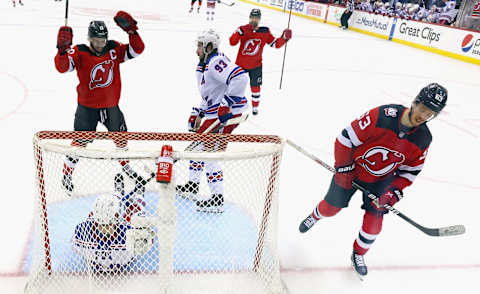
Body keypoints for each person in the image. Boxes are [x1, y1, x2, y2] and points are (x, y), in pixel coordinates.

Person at [298, 83, 447, 279]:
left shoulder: (423, 138)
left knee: (375, 221)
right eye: (423, 109)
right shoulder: (383, 115)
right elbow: (344, 139)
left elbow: (410, 172)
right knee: (331, 208)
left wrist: (392, 193)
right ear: (415, 102)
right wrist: (344, 168)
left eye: (431, 114)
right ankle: (316, 215)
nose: (424, 116)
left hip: (382, 181)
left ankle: (358, 254)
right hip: (352, 169)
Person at [54, 11, 145, 194]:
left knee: (121, 139)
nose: (100, 44)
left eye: (103, 40)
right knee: (79, 143)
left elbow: (137, 50)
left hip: (111, 107)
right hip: (87, 108)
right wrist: (62, 51)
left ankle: (127, 169)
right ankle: (67, 174)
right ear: (90, 39)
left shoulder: (114, 49)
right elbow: (62, 68)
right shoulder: (79, 52)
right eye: (96, 40)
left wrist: (133, 33)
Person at [175, 29, 249, 213]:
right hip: (214, 112)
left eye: (200, 46)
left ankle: (217, 198)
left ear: (209, 46)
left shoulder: (216, 61)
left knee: (209, 154)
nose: (197, 49)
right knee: (199, 147)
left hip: (225, 115)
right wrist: (199, 113)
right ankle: (192, 186)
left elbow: (241, 77)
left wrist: (227, 104)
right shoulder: (205, 64)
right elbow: (210, 95)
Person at [72, 171, 155, 273]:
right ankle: (136, 195)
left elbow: (75, 248)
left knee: (107, 208)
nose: (105, 228)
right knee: (136, 213)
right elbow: (149, 242)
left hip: (104, 267)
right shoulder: (127, 231)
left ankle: (124, 194)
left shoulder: (82, 230)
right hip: (122, 265)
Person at [229, 9, 292, 116]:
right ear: (249, 18)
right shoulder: (243, 29)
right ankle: (232, 105)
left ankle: (255, 107)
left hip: (256, 66)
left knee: (256, 87)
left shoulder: (265, 32)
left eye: (256, 18)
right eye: (252, 17)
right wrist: (239, 32)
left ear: (259, 19)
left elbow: (275, 44)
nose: (254, 20)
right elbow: (232, 42)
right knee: (236, 87)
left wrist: (284, 38)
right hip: (241, 65)